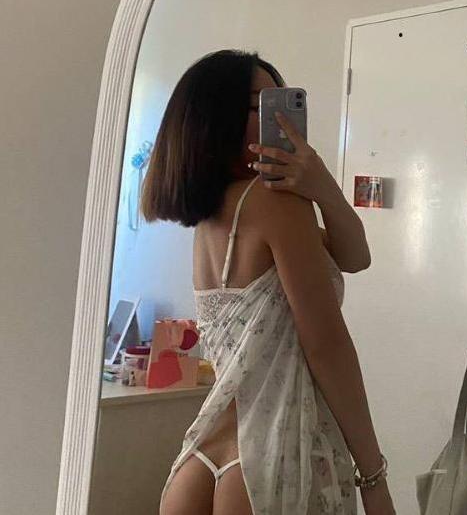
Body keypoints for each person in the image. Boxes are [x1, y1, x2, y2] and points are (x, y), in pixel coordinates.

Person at [141, 49, 396, 515]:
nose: (280, 120)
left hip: (201, 456)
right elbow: (327, 345)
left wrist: (322, 186)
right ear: (217, 119)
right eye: (261, 105)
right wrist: (373, 477)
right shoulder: (274, 203)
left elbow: (355, 256)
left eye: (282, 102)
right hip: (272, 456)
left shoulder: (214, 217)